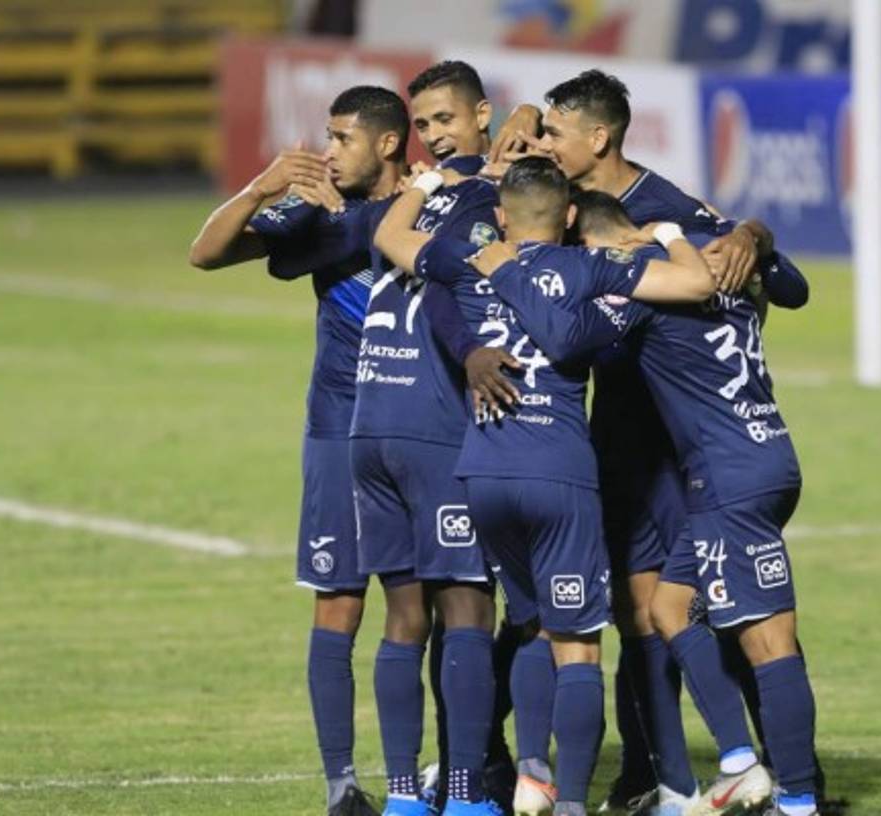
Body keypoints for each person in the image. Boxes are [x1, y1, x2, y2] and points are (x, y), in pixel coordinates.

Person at [375, 156, 717, 816]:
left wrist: (421, 184)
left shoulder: (469, 258)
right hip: (559, 472)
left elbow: (389, 238)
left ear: (501, 216)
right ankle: (568, 805)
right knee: (579, 646)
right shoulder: (587, 267)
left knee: (528, 622)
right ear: (567, 218)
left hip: (483, 472)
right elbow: (697, 284)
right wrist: (669, 231)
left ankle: (532, 771)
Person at [465, 189, 822, 816]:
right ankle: (738, 760)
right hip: (765, 451)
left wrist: (511, 273)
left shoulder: (643, 293)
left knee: (770, 640)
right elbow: (789, 284)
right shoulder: (718, 264)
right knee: (669, 606)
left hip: (726, 472)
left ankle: (796, 800)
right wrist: (752, 235)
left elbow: (568, 340)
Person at [188, 85, 408, 816]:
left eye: (342, 137)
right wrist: (261, 187)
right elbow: (206, 253)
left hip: (423, 433)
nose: (326, 151)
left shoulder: (434, 209)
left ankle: (444, 777)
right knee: (338, 605)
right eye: (327, 135)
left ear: (386, 143)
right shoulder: (312, 214)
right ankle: (342, 784)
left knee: (435, 609)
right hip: (338, 430)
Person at [350, 60, 530, 816]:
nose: (429, 137)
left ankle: (400, 794)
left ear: (481, 114)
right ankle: (462, 793)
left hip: (370, 421)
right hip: (430, 425)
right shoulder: (485, 201)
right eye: (421, 125)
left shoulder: (408, 200)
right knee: (467, 612)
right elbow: (456, 288)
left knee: (402, 616)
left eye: (442, 121)